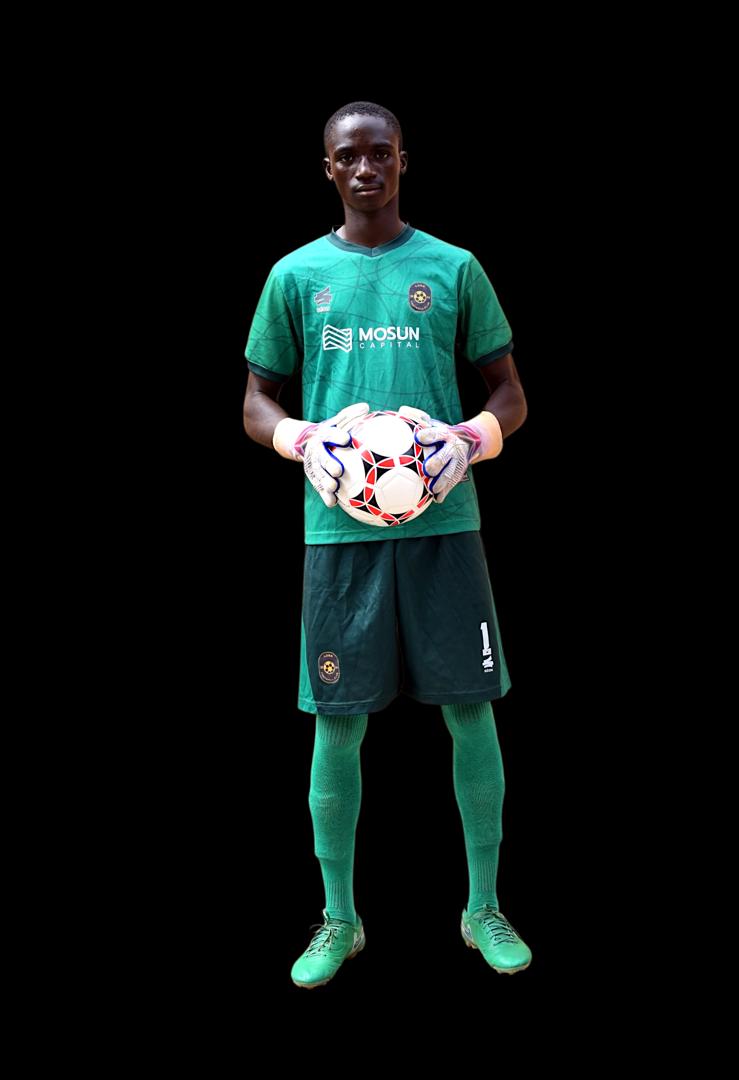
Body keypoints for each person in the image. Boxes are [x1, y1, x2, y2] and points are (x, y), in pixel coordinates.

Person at [243, 101, 532, 988]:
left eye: (380, 153)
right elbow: (254, 400)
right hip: (339, 531)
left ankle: (482, 907)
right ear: (327, 168)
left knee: (470, 710)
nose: (365, 168)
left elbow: (510, 391)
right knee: (337, 723)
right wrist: (299, 439)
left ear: (403, 161)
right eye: (348, 156)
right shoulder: (296, 275)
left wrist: (470, 439)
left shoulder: (452, 267)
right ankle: (339, 919)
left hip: (446, 526)